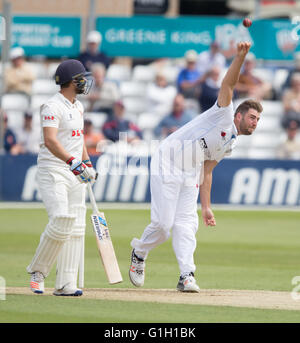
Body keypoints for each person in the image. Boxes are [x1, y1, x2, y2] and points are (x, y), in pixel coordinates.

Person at [129, 42, 263, 293]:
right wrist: (240, 57)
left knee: (187, 224)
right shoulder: (223, 113)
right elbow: (228, 85)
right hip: (168, 160)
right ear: (239, 115)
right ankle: (139, 251)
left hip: (191, 169)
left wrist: (206, 207)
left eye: (258, 120)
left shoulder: (230, 144)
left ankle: (186, 275)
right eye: (252, 118)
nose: (255, 123)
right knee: (163, 225)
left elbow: (207, 171)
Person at [26, 59, 97, 296]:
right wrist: (73, 162)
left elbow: (79, 140)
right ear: (71, 81)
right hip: (53, 169)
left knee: (76, 225)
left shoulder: (78, 107)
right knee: (61, 220)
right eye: (82, 78)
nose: (86, 82)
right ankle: (38, 272)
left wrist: (86, 163)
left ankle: (66, 283)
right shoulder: (51, 106)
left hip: (74, 170)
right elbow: (50, 141)